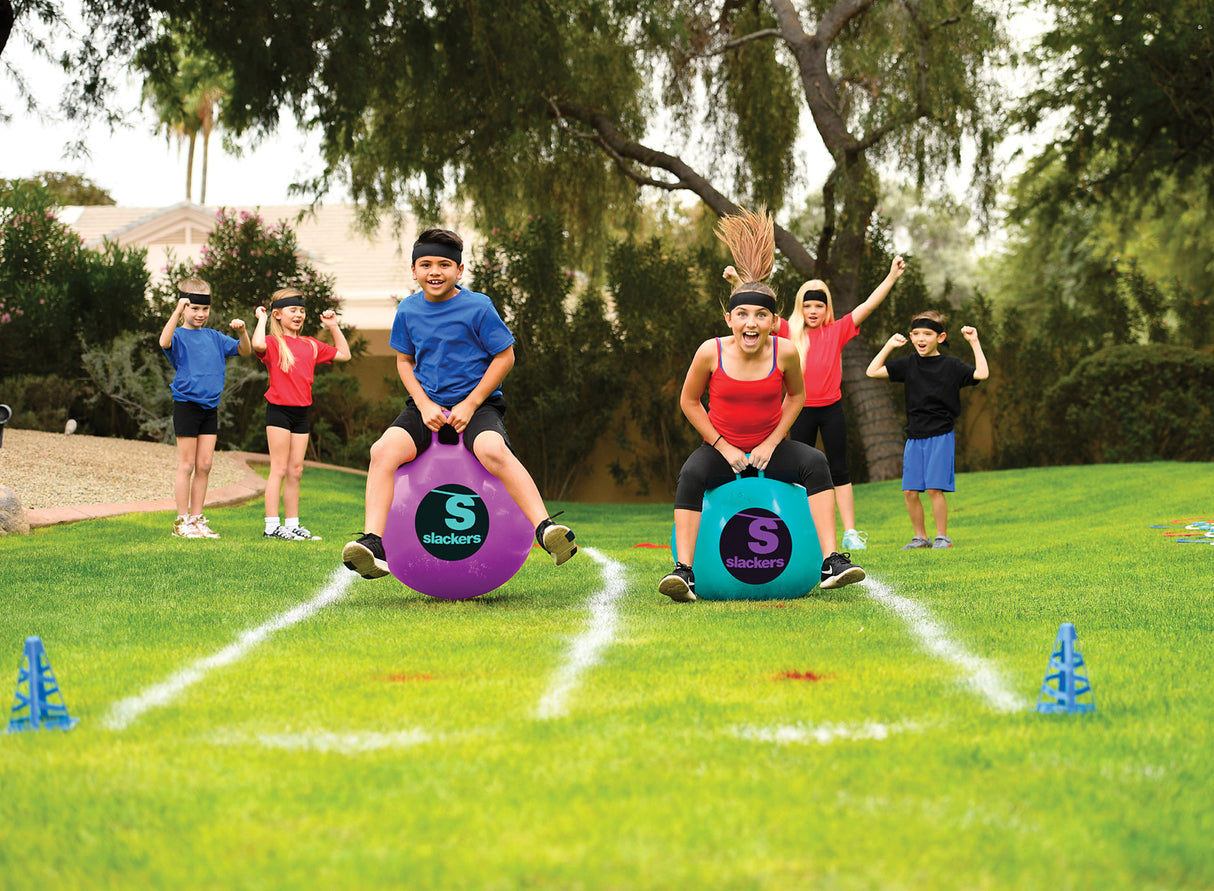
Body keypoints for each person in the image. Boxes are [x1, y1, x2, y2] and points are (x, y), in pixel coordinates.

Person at [341, 228, 577, 580]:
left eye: (444, 264)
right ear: (414, 270)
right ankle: (374, 542)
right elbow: (404, 361)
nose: (435, 271)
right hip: (426, 407)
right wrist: (422, 404)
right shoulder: (408, 310)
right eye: (426, 264)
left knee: (493, 449)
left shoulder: (478, 307)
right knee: (382, 451)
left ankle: (545, 529)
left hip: (478, 407)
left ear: (460, 270)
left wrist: (470, 403)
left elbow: (505, 356)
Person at [659, 208, 865, 602]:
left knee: (816, 463)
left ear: (774, 321)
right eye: (742, 314)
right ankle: (685, 572)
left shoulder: (786, 352)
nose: (750, 323)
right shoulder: (710, 352)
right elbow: (689, 401)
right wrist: (722, 446)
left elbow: (798, 396)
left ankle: (831, 560)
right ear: (729, 318)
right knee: (690, 474)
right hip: (722, 449)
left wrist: (771, 444)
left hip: (770, 447)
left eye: (760, 315)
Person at [786, 257, 906, 551]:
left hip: (831, 410)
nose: (813, 311)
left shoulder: (837, 330)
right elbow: (755, 310)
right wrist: (737, 281)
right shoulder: (788, 332)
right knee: (798, 472)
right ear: (800, 308)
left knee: (839, 469)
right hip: (798, 411)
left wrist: (891, 277)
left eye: (819, 306)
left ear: (827, 309)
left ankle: (850, 532)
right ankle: (805, 529)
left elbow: (868, 305)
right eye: (808, 305)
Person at [865, 310, 989, 549]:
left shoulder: (951, 365)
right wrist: (889, 345)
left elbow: (982, 373)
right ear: (911, 337)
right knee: (910, 491)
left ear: (940, 338)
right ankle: (921, 537)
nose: (921, 338)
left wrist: (974, 341)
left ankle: (942, 537)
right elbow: (872, 371)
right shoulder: (909, 364)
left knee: (934, 489)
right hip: (914, 436)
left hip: (940, 435)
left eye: (928, 334)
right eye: (916, 334)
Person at [251, 288, 351, 541]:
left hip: (301, 413)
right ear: (278, 314)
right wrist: (262, 318)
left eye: (302, 311)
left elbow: (344, 354)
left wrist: (332, 326)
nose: (298, 315)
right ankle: (272, 526)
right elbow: (257, 344)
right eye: (293, 310)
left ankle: (293, 524)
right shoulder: (274, 343)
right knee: (279, 468)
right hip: (279, 412)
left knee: (296, 470)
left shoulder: (310, 344)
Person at [158, 277, 251, 539]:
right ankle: (181, 522)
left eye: (205, 309)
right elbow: (163, 342)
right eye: (194, 308)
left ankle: (197, 519)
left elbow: (244, 351)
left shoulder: (215, 337)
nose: (200, 314)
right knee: (187, 464)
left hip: (210, 407)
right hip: (187, 405)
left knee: (205, 464)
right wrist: (176, 311)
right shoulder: (178, 335)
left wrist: (242, 331)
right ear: (184, 307)